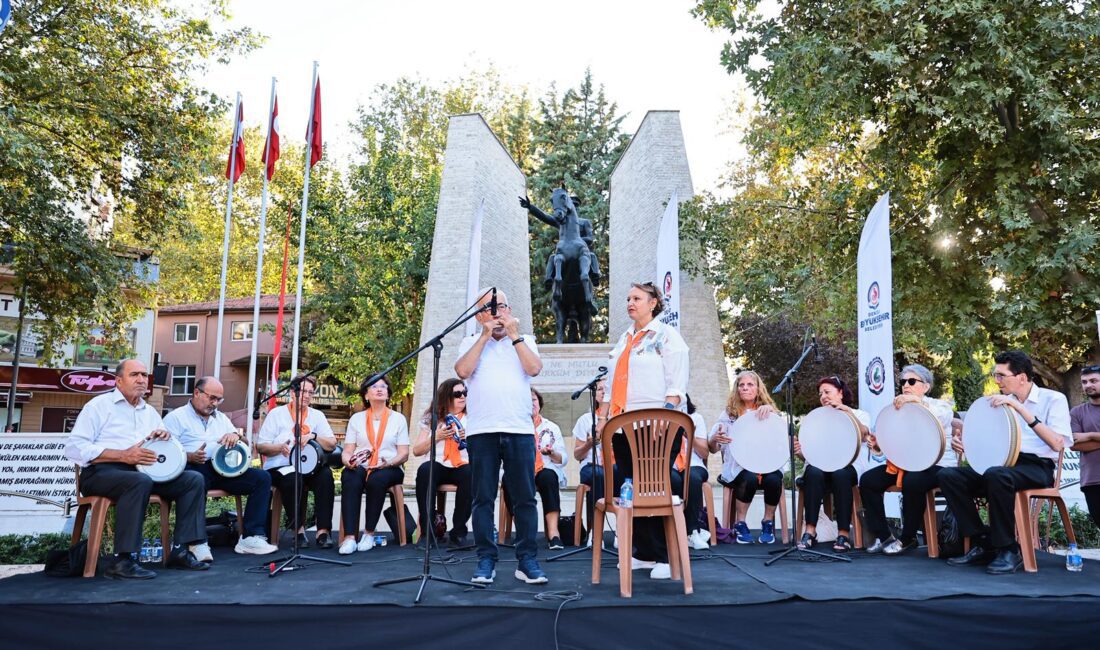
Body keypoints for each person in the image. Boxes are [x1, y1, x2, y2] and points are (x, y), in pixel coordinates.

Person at [65, 359, 209, 579]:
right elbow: (74, 448)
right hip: (101, 471)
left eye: (144, 375)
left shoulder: (149, 412)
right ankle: (123, 559)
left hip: (144, 471)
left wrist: (164, 437)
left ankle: (181, 550)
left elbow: (165, 447)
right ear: (119, 381)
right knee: (139, 482)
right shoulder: (98, 406)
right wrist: (123, 454)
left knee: (193, 479)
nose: (142, 379)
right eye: (135, 375)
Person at [940, 350, 1072, 574]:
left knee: (996, 474)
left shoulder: (1053, 399)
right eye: (995, 375)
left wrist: (1021, 409)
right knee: (948, 476)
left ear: (1022, 377)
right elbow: (986, 439)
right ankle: (983, 541)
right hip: (1000, 464)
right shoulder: (998, 403)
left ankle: (1009, 549)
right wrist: (962, 441)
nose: (997, 381)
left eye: (1001, 376)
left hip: (1036, 466)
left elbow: (1057, 444)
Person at [455, 287, 548, 585]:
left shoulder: (525, 340)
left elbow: (534, 368)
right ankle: (486, 559)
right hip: (482, 431)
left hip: (519, 430)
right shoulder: (470, 342)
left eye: (502, 306)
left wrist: (514, 335)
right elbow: (462, 371)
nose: (496, 313)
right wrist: (484, 337)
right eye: (489, 308)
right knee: (483, 498)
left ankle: (527, 560)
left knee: (524, 498)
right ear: (479, 314)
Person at [597, 281, 689, 580]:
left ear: (653, 303)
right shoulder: (625, 339)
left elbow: (677, 384)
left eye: (636, 298)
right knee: (632, 487)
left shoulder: (666, 336)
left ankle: (665, 555)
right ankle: (644, 553)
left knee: (656, 486)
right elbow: (611, 386)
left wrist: (665, 419)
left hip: (657, 426)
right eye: (627, 298)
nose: (630, 303)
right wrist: (603, 417)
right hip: (623, 426)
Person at [163, 376, 279, 560]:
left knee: (262, 478)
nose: (215, 403)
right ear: (196, 393)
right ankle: (197, 542)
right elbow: (166, 453)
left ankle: (250, 537)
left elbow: (247, 443)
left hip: (224, 468)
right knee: (196, 479)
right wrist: (189, 456)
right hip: (194, 466)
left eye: (219, 399)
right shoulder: (176, 417)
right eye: (212, 398)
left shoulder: (221, 418)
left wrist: (236, 436)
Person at [858, 364, 955, 555]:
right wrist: (879, 447)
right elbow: (893, 448)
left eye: (912, 381)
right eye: (903, 382)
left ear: (926, 387)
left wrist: (915, 401)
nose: (905, 385)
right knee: (868, 480)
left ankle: (908, 537)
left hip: (938, 465)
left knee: (913, 480)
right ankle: (884, 536)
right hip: (906, 465)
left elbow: (942, 417)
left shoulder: (939, 406)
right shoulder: (898, 412)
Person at [256, 375, 337, 549]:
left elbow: (332, 444)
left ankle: (323, 531)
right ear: (292, 393)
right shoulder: (276, 414)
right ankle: (298, 531)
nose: (307, 395)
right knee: (294, 478)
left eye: (310, 392)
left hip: (310, 466)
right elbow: (261, 446)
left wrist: (313, 436)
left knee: (326, 476)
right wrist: (278, 447)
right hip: (281, 467)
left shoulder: (317, 415)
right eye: (303, 391)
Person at [795, 375, 875, 552]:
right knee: (813, 473)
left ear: (840, 393)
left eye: (827, 391)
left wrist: (847, 412)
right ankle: (810, 531)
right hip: (821, 468)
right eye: (820, 393)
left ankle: (844, 533)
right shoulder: (815, 418)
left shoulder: (860, 414)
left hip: (848, 469)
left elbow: (863, 434)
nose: (823, 396)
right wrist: (800, 452)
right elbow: (809, 457)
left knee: (841, 473)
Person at [337, 376, 409, 554]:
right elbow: (347, 450)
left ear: (388, 394)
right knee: (349, 476)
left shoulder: (398, 419)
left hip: (390, 466)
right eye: (374, 386)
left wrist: (388, 463)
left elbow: (404, 453)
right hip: (362, 465)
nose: (379, 389)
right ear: (366, 395)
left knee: (376, 480)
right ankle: (350, 537)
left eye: (383, 386)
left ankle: (369, 533)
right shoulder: (357, 418)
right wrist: (347, 461)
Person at [710, 371, 782, 546]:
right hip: (739, 467)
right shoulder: (729, 415)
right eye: (741, 385)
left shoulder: (769, 412)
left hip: (767, 465)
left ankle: (768, 522)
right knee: (748, 477)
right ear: (737, 389)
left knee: (774, 479)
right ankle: (740, 523)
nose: (745, 388)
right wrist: (715, 439)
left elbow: (780, 437)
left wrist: (771, 412)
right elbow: (712, 449)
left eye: (750, 384)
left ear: (758, 389)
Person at [413, 378, 472, 547]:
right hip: (438, 462)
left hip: (462, 463)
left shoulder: (473, 417)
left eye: (465, 393)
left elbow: (482, 451)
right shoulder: (431, 418)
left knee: (471, 473)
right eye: (457, 394)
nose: (463, 397)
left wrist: (469, 440)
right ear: (446, 396)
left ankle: (458, 533)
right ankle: (428, 533)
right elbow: (417, 450)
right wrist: (436, 437)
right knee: (425, 470)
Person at [572, 379, 620, 546]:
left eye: (606, 389)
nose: (603, 392)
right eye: (600, 389)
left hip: (615, 466)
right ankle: (595, 532)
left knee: (623, 473)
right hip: (591, 466)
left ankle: (622, 531)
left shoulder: (619, 418)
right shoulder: (585, 420)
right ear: (596, 396)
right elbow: (577, 455)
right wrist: (588, 444)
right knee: (598, 475)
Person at [520, 388, 566, 549]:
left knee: (548, 477)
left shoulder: (551, 427)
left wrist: (552, 453)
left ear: (539, 403)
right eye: (526, 400)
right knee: (510, 479)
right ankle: (523, 533)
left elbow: (563, 459)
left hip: (544, 467)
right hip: (521, 468)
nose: (531, 403)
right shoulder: (515, 427)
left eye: (534, 400)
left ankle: (553, 534)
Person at [672, 394, 711, 549]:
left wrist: (689, 435)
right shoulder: (662, 418)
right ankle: (673, 528)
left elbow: (704, 453)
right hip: (671, 464)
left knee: (692, 478)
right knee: (672, 479)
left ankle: (692, 531)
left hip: (693, 463)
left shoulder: (696, 418)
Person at [1070, 364, 1100, 528]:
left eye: (1094, 380)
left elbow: (1082, 439)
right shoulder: (1077, 412)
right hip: (1092, 479)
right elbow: (1074, 444)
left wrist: (1088, 436)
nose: (1088, 385)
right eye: (1085, 382)